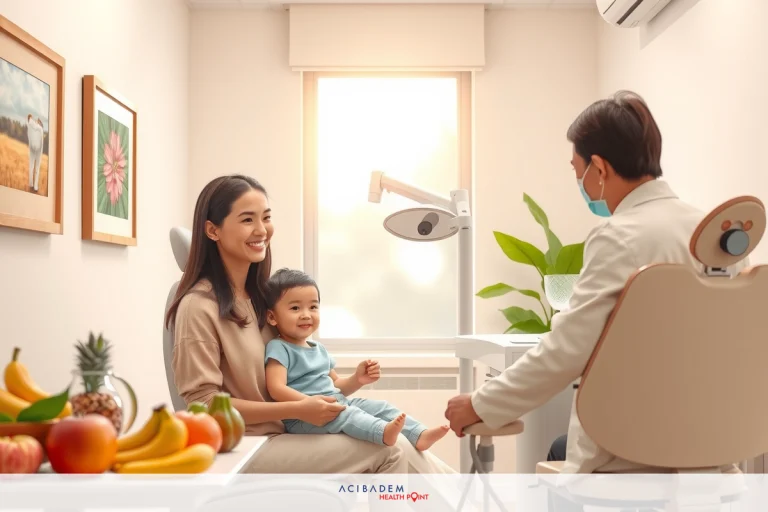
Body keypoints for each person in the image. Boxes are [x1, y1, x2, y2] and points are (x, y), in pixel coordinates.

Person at [444, 90, 715, 474]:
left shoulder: (619, 237)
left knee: (561, 452)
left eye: (577, 170)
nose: (580, 182)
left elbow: (565, 352)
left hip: (638, 454)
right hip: (712, 451)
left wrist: (479, 403)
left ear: (599, 169)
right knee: (560, 446)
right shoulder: (713, 232)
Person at [166, 174, 454, 474]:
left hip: (289, 431)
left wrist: (332, 392)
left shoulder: (263, 299)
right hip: (246, 445)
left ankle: (465, 499)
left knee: (394, 434)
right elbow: (203, 406)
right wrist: (297, 408)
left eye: (266, 217)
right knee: (389, 449)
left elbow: (306, 368)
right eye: (247, 219)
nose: (262, 230)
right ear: (213, 230)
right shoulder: (198, 307)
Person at [263, 268, 450, 449]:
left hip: (335, 403)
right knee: (349, 415)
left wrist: (358, 379)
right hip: (303, 418)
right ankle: (382, 433)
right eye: (295, 308)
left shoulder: (319, 349)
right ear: (272, 317)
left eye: (313, 307)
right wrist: (308, 405)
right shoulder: (279, 347)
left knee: (379, 407)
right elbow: (276, 388)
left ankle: (418, 434)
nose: (306, 314)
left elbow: (337, 386)